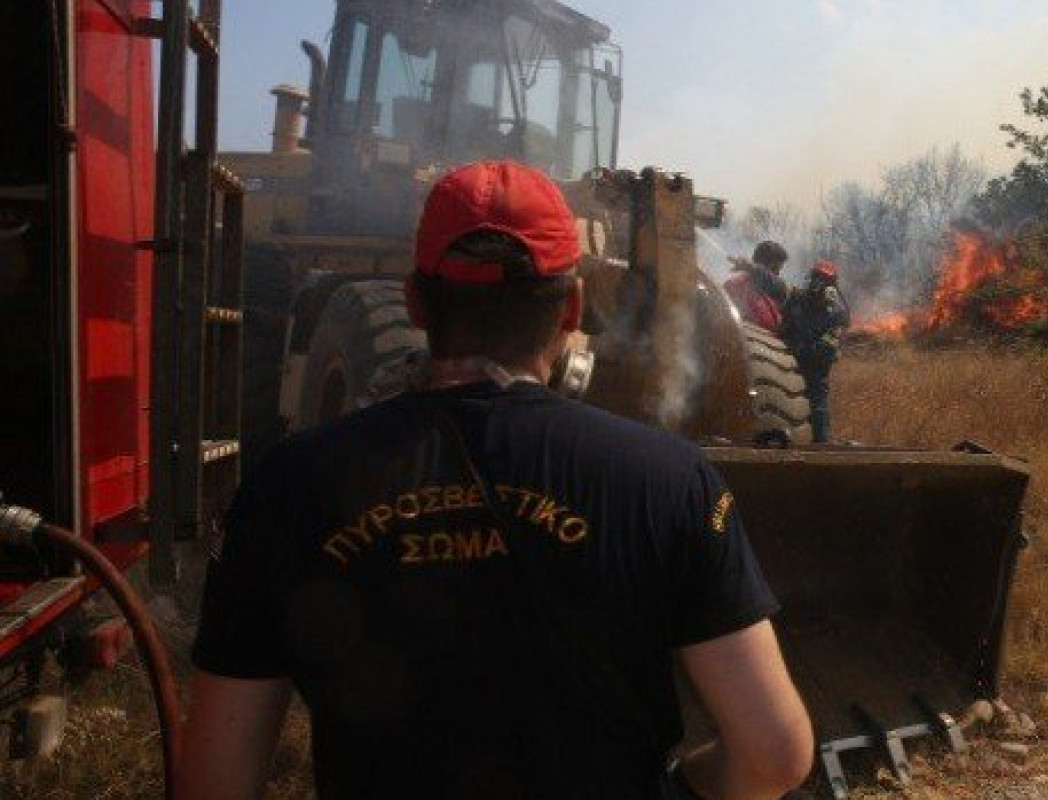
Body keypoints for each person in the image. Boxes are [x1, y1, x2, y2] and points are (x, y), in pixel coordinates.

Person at [180, 161, 813, 800]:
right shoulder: (673, 482)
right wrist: (681, 785)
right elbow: (775, 753)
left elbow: (215, 782)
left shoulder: (284, 488)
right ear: (572, 308)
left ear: (415, 302)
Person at [781, 261, 850, 443]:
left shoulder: (837, 314)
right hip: (786, 363)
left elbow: (827, 346)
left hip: (815, 369)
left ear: (829, 287)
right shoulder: (797, 300)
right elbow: (783, 327)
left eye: (817, 280)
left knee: (817, 406)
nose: (812, 284)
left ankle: (821, 445)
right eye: (812, 279)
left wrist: (799, 353)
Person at [721, 241, 791, 335]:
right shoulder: (735, 285)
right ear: (762, 266)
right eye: (775, 269)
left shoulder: (770, 295)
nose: (777, 275)